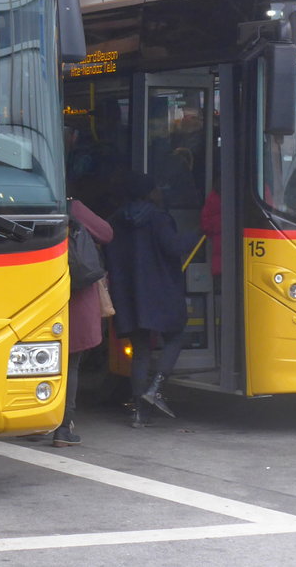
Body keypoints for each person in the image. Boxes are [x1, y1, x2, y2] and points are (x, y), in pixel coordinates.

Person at [105, 171, 194, 428]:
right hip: (161, 291)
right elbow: (173, 248)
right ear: (149, 192)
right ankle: (155, 387)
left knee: (141, 351)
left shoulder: (115, 220)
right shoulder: (159, 219)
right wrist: (198, 234)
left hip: (130, 294)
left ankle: (138, 414)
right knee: (176, 335)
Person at [53, 197, 113, 447]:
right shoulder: (72, 206)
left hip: (41, 293)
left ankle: (34, 423)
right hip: (76, 297)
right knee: (71, 364)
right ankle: (63, 428)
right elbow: (107, 233)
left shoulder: (27, 203)